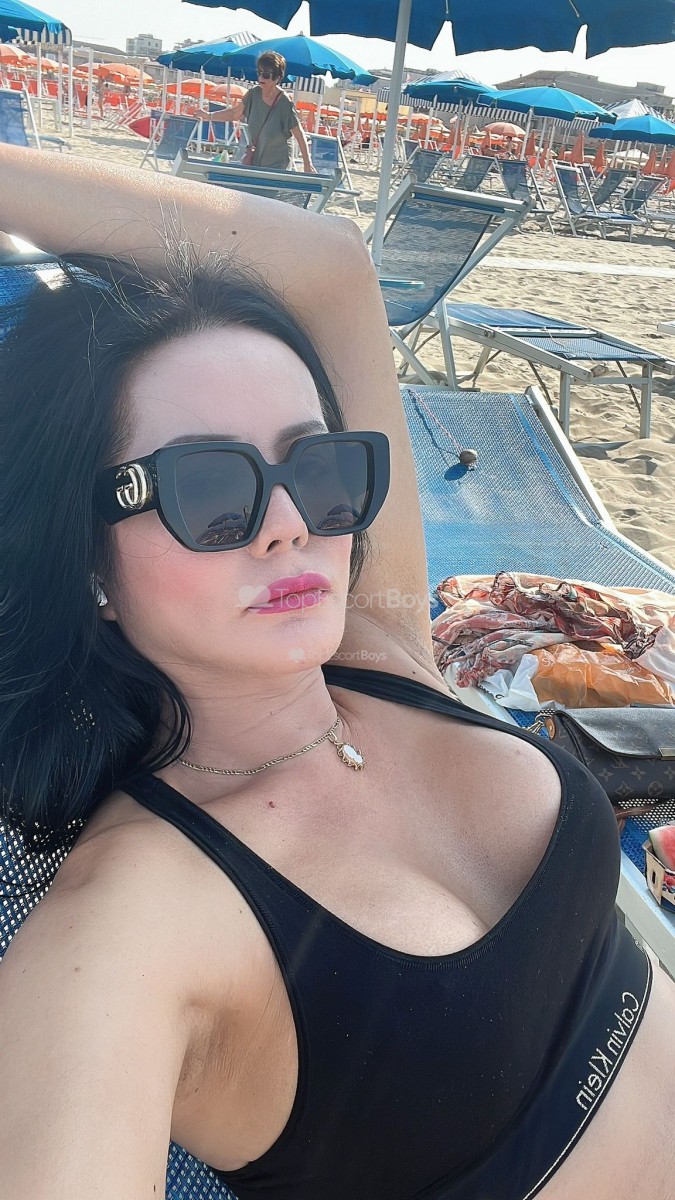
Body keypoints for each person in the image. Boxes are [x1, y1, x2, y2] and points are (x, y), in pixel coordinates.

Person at [0, 142, 674, 1200]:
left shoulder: (381, 646)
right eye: (210, 490)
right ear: (88, 557)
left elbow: (324, 266)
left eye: (318, 467)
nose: (290, 526)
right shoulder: (128, 928)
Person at [196, 51, 315, 173]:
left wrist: (307, 164)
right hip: (255, 162)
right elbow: (234, 114)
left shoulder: (284, 103)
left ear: (277, 78)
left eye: (266, 75)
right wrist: (209, 116)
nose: (261, 78)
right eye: (259, 72)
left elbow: (299, 133)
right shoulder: (253, 94)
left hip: (277, 166)